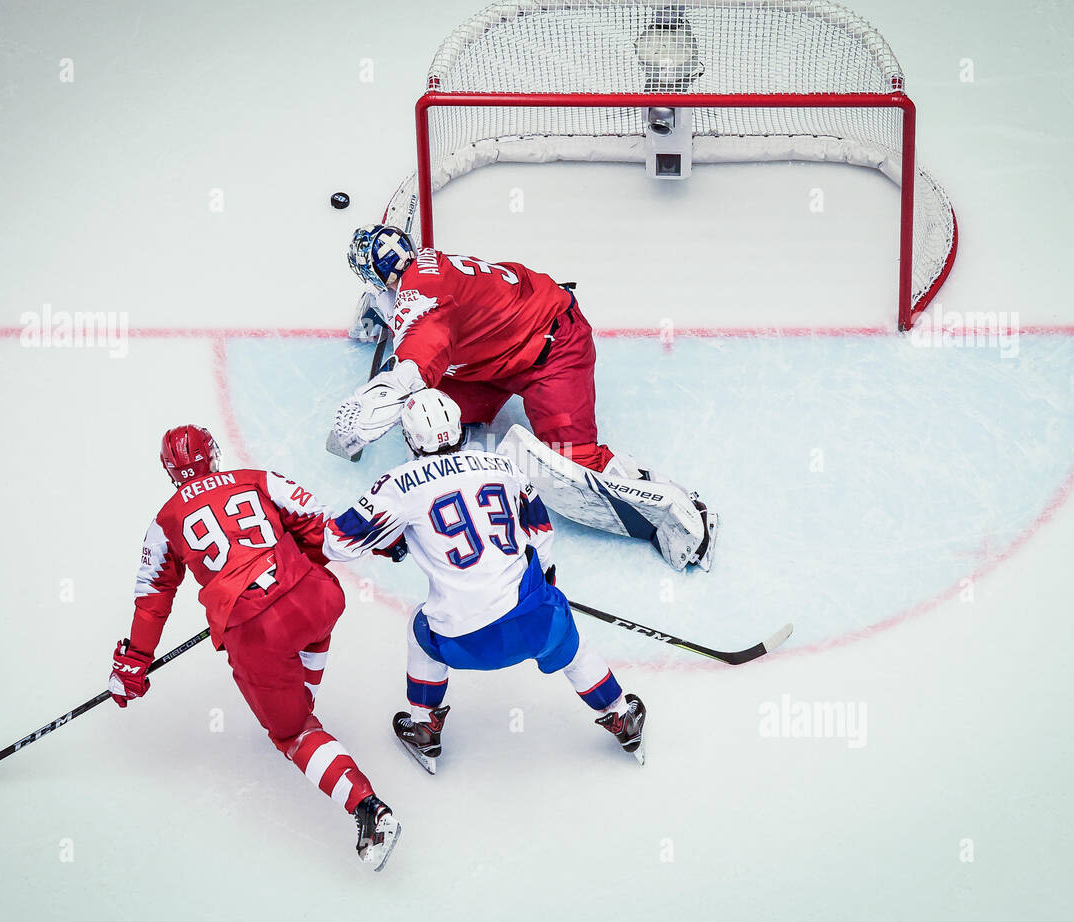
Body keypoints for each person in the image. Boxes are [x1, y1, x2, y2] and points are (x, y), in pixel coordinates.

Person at [329, 223, 718, 573]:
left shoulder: (421, 300)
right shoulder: (424, 267)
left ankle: (677, 504)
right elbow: (399, 307)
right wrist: (375, 316)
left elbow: (413, 363)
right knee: (432, 422)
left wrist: (364, 416)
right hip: (492, 359)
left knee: (572, 461)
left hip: (553, 351)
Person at [108, 424, 400, 870]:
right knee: (305, 635)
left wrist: (133, 663)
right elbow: (321, 530)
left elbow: (152, 599)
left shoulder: (165, 521)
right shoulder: (258, 478)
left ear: (170, 472)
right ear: (213, 454)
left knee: (293, 732)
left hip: (258, 632)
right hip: (318, 596)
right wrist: (376, 546)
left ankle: (368, 809)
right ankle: (299, 702)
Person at [324, 390, 647, 772]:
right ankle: (619, 713)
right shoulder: (501, 465)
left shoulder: (398, 485)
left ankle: (425, 726)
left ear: (410, 438)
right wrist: (544, 581)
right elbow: (540, 532)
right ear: (459, 428)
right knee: (567, 637)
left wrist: (389, 542)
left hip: (462, 643)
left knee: (420, 626)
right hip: (535, 624)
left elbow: (337, 543)